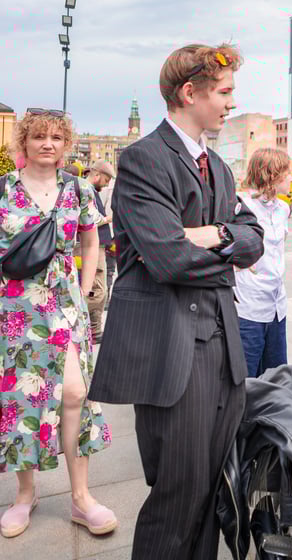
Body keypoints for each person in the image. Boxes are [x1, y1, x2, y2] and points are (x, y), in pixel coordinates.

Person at [88, 43, 265, 559]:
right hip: (172, 354)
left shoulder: (221, 167)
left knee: (214, 492)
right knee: (177, 496)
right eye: (225, 92)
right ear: (191, 92)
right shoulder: (144, 159)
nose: (232, 103)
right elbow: (168, 259)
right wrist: (225, 243)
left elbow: (253, 238)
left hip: (223, 352)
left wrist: (207, 235)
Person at [1, 110, 117, 537]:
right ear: (24, 143)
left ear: (66, 144)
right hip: (16, 309)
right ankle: (24, 494)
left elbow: (92, 240)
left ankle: (80, 497)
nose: (47, 144)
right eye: (38, 137)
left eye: (56, 137)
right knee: (22, 399)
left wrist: (85, 291)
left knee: (74, 392)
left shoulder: (79, 188)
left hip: (66, 307)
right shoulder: (3, 190)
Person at [235, 148, 292, 378]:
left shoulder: (284, 209)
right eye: (286, 172)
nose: (291, 177)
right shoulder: (240, 206)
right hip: (249, 309)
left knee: (277, 380)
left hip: (278, 306)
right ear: (272, 174)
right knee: (246, 383)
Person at [81, 160, 115, 344]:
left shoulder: (89, 190)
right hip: (92, 247)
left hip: (97, 246)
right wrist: (110, 218)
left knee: (97, 290)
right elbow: (90, 220)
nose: (108, 183)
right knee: (98, 291)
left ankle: (94, 330)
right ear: (97, 175)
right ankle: (79, 322)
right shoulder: (86, 190)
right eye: (106, 179)